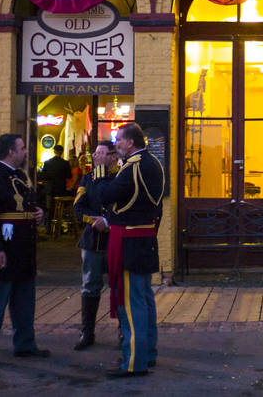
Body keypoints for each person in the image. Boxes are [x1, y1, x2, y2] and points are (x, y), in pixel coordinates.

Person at [94, 122, 164, 378]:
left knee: (132, 303)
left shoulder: (132, 168)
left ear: (131, 143)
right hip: (145, 238)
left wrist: (100, 169)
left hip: (129, 242)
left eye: (120, 141)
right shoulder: (154, 163)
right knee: (145, 299)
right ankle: (148, 352)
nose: (117, 146)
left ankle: (134, 360)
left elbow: (105, 195)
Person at [0, 133, 49, 368]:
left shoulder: (22, 177)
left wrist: (39, 213)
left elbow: (29, 204)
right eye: (22, 148)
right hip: (3, 249)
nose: (26, 152)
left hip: (23, 249)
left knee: (25, 301)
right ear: (10, 152)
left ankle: (25, 344)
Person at [71, 140, 118, 350]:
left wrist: (108, 222)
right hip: (93, 239)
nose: (97, 157)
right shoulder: (87, 179)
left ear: (113, 156)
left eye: (102, 154)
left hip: (116, 238)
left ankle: (124, 333)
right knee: (90, 286)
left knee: (119, 286)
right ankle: (87, 331)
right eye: (95, 153)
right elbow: (78, 208)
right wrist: (95, 221)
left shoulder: (121, 177)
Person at [39, 144, 71, 214]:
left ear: (54, 151)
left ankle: (49, 222)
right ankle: (59, 220)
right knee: (60, 206)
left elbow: (43, 176)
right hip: (61, 188)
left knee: (50, 206)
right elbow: (69, 176)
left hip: (50, 188)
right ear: (62, 152)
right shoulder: (65, 163)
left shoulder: (47, 162)